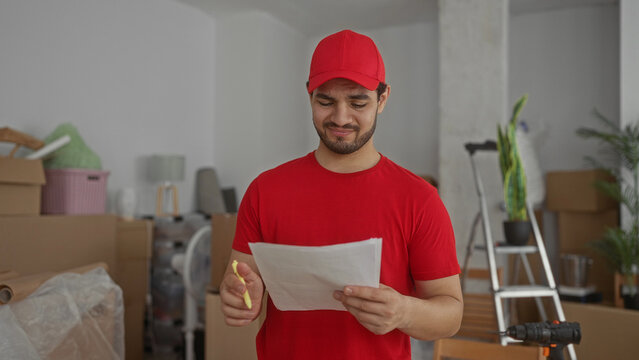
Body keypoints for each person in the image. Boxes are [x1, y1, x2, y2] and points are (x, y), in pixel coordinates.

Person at [220, 29, 462, 360]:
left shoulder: (419, 199)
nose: (340, 117)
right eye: (325, 101)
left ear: (383, 98)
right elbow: (239, 281)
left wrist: (404, 312)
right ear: (309, 95)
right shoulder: (265, 190)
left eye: (358, 102)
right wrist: (239, 298)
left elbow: (451, 314)